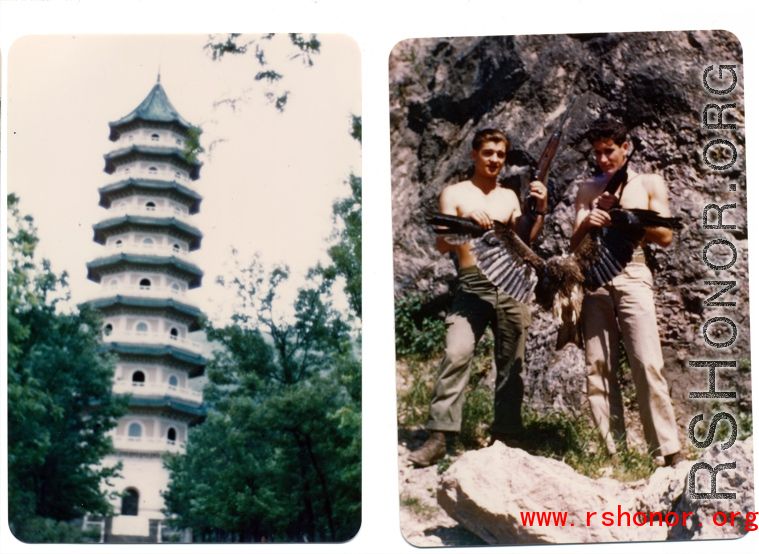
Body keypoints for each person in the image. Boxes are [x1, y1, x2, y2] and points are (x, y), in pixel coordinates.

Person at [408, 128, 548, 467]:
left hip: (511, 284)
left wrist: (539, 209)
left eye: (500, 155)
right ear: (474, 154)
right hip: (471, 286)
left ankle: (507, 436)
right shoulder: (454, 193)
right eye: (488, 153)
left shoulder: (510, 198)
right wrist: (466, 220)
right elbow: (443, 245)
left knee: (511, 365)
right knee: (456, 351)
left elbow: (525, 240)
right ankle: (441, 435)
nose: (495, 160)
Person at [569, 117, 682, 466]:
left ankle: (667, 450)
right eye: (597, 152)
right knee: (598, 366)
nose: (603, 159)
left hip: (633, 270)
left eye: (609, 151)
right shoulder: (588, 190)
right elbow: (574, 246)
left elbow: (665, 236)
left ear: (625, 147)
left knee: (647, 361)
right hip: (594, 274)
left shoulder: (648, 183)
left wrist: (624, 217)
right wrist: (589, 221)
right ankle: (612, 454)